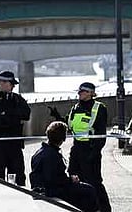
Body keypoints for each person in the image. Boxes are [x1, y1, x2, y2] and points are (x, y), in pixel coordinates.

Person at [49, 82, 111, 212]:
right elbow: (69, 125)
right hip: (77, 149)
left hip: (90, 148)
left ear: (91, 93)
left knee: (93, 182)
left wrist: (93, 154)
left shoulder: (99, 108)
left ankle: (103, 209)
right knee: (74, 180)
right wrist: (57, 116)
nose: (80, 93)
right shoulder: (75, 108)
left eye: (83, 91)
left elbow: (101, 135)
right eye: (79, 91)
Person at [30, 121, 98, 212]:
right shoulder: (53, 156)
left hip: (41, 189)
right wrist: (71, 180)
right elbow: (54, 180)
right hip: (50, 191)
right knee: (89, 191)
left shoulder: (39, 153)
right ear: (62, 139)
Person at [0, 70, 31, 186]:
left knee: (18, 180)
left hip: (15, 145)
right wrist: (12, 116)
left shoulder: (17, 99)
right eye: (10, 84)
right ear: (1, 83)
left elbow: (26, 114)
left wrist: (5, 114)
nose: (12, 87)